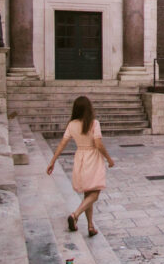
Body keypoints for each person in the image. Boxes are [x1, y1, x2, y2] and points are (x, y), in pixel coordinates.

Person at [46, 95, 115, 237]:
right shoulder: (94, 123)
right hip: (93, 158)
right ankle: (75, 214)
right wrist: (109, 158)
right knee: (95, 193)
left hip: (80, 158)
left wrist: (52, 161)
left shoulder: (71, 125)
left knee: (88, 193)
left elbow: (62, 144)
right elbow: (98, 144)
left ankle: (90, 226)